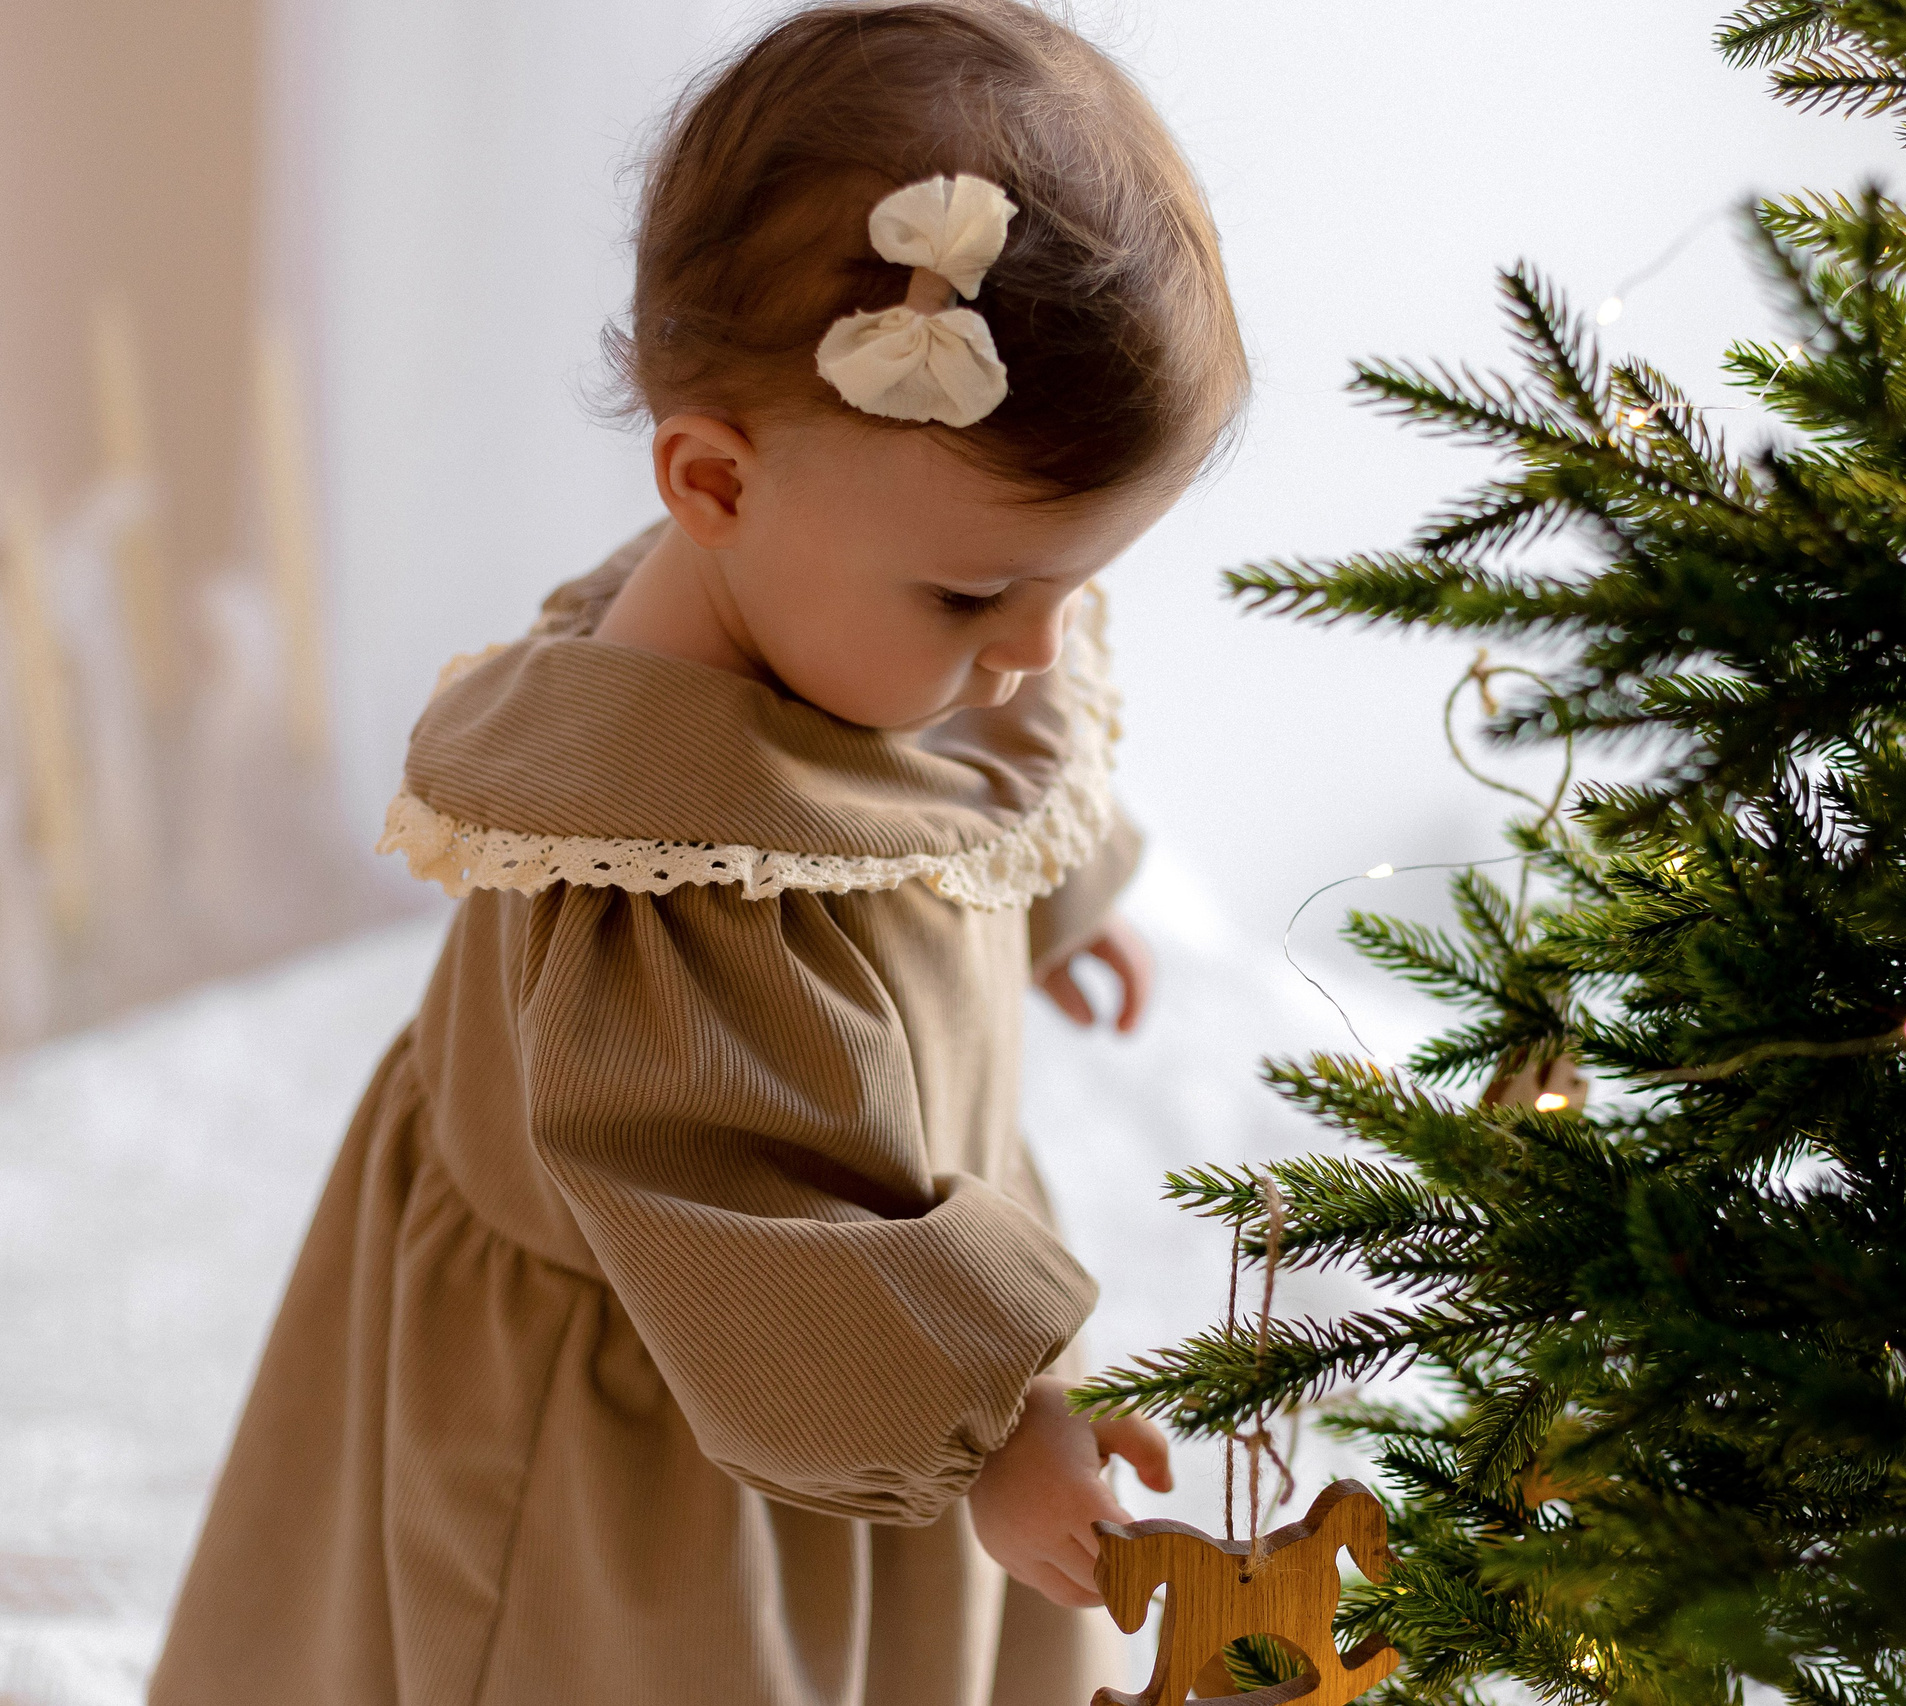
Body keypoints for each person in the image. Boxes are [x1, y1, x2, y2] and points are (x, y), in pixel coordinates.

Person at [150, 5, 1249, 1702]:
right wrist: (991, 1425)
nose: (1033, 647)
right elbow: (762, 1226)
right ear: (711, 482)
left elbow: (945, 797)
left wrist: (1056, 887)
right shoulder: (652, 882)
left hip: (895, 1304)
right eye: (981, 594)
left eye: (1073, 583)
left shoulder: (847, 598)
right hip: (706, 1394)